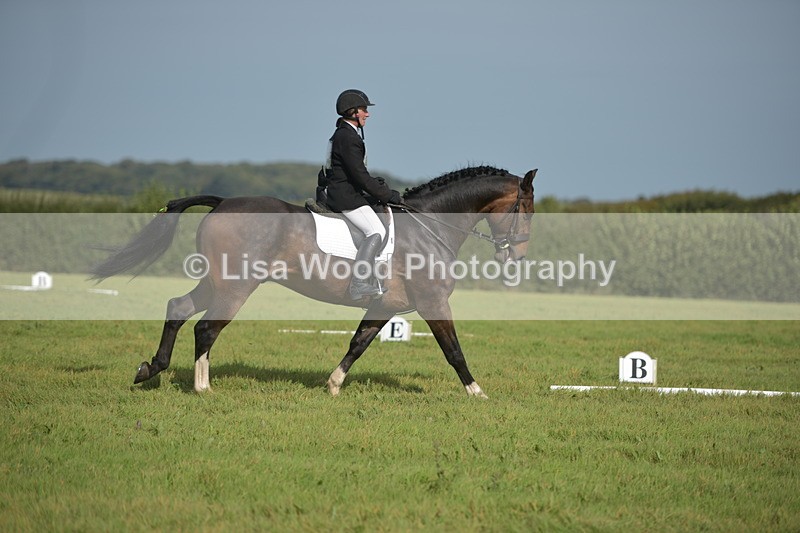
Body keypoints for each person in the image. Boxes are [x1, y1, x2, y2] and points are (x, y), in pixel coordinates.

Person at [318, 89, 402, 300]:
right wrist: (387, 195)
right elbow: (360, 177)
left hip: (341, 190)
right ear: (353, 111)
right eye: (364, 109)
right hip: (344, 195)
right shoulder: (348, 137)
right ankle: (360, 283)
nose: (367, 114)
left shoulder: (343, 134)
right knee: (375, 231)